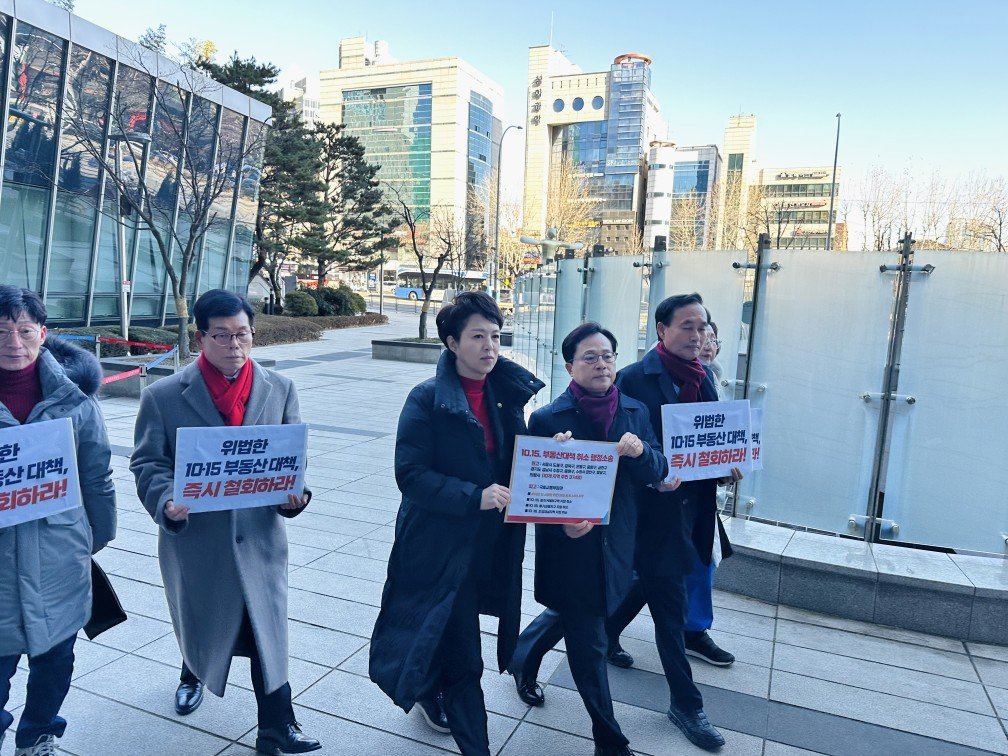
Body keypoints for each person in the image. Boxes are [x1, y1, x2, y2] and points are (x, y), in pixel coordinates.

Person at [131, 289, 319, 755]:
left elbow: (290, 459)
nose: (235, 345)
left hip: (259, 537)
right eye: (222, 335)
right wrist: (166, 500)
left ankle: (277, 725)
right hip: (198, 539)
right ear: (200, 338)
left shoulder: (279, 389)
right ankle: (191, 672)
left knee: (264, 630)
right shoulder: (163, 396)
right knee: (203, 618)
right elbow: (148, 463)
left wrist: (294, 495)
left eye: (243, 334)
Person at [370, 291, 543, 756]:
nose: (490, 347)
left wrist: (550, 455)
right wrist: (473, 496)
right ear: (452, 342)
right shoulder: (427, 398)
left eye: (496, 336)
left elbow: (515, 461)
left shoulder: (505, 397)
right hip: (439, 542)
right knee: (465, 651)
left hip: (490, 542)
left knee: (447, 627)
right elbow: (410, 475)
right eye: (478, 337)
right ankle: (473, 740)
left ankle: (430, 689)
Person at [509, 323, 667, 756]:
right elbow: (531, 492)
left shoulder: (634, 411)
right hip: (572, 551)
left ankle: (523, 658)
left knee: (577, 619)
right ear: (569, 366)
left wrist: (641, 452)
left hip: (618, 545)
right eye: (590, 357)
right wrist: (561, 517)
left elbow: (659, 469)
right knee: (590, 644)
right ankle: (610, 743)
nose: (601, 365)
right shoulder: (547, 419)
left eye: (608, 356)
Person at [605, 292, 740, 752]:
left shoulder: (704, 379)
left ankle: (597, 634)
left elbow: (705, 447)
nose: (698, 335)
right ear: (662, 330)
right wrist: (653, 474)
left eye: (703, 327)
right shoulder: (631, 379)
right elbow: (616, 448)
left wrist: (724, 467)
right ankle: (687, 704)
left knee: (652, 588)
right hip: (650, 516)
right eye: (687, 326)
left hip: (691, 511)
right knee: (669, 609)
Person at [0, 286, 116, 755]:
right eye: (1, 330)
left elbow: (96, 475)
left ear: (43, 334)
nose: (14, 342)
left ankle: (39, 733)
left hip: (59, 555)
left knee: (55, 660)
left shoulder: (74, 400)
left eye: (25, 330)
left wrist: (91, 537)